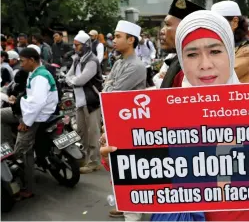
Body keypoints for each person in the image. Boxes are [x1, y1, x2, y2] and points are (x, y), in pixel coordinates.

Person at [101, 10, 249, 221]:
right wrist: (117, 155)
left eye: (215, 51)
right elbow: (141, 188)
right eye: (192, 54)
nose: (205, 64)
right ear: (181, 59)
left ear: (231, 52)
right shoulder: (154, 119)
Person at [101, 20, 145, 220]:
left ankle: (132, 212)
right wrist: (109, 87)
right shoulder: (119, 62)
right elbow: (107, 89)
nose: (114, 40)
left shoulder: (137, 66)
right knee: (117, 168)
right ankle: (123, 202)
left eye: (118, 36)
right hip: (114, 121)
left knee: (129, 168)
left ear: (131, 40)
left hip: (130, 124)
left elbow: (112, 93)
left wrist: (108, 86)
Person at [0, 48, 59, 199]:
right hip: (28, 111)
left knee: (23, 152)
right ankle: (6, 146)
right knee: (1, 115)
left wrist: (25, 122)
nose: (21, 64)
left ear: (32, 60)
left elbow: (36, 103)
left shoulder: (40, 77)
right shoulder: (37, 72)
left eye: (22, 60)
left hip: (35, 116)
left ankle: (28, 186)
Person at [66, 31, 103, 174]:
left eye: (77, 45)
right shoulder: (77, 59)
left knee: (93, 132)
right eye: (74, 45)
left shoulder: (92, 60)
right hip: (79, 100)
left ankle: (94, 162)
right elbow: (69, 76)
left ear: (86, 45)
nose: (75, 48)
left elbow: (81, 80)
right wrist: (74, 81)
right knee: (81, 131)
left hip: (91, 101)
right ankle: (85, 158)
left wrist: (73, 81)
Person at [211, 0, 249, 84]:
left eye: (218, 23)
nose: (213, 28)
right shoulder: (225, 46)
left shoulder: (248, 51)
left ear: (235, 22)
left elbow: (220, 75)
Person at [159, 0, 204, 88]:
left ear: (185, 29)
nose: (162, 31)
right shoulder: (178, 60)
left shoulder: (194, 69)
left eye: (167, 25)